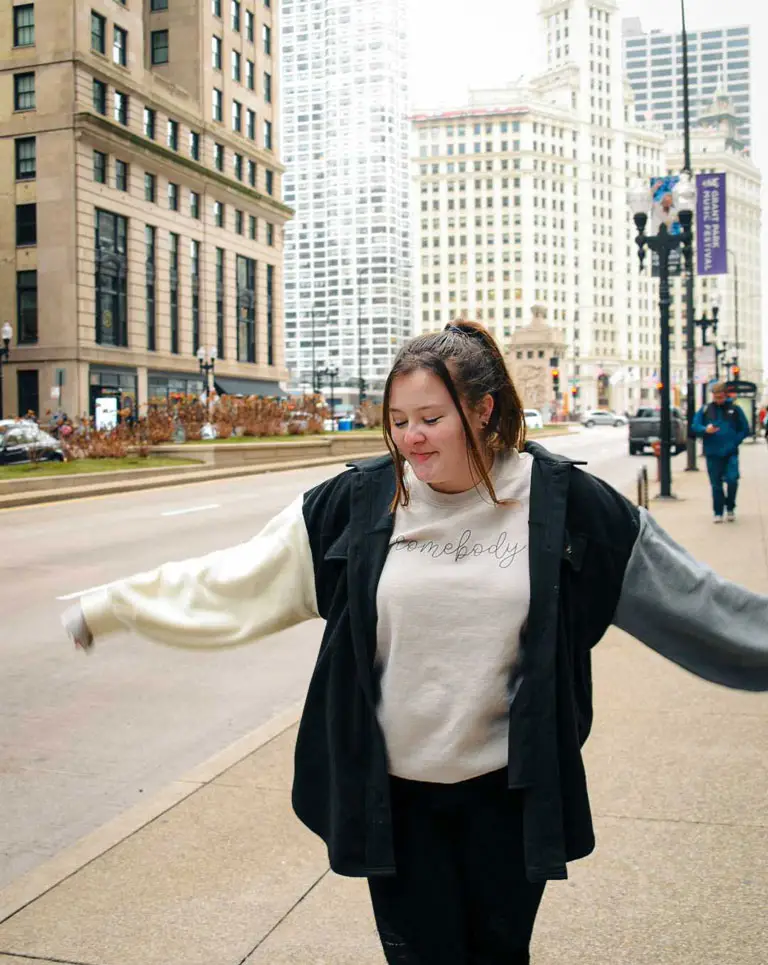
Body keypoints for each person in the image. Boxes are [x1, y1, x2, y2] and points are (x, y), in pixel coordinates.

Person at [62, 322, 768, 965]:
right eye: (398, 422)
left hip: (509, 800)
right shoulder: (355, 505)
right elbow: (231, 581)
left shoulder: (565, 505)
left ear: (483, 410)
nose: (412, 438)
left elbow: (696, 599)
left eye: (431, 418)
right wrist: (115, 605)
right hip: (396, 805)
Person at [692, 381, 750, 523]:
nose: (718, 400)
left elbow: (745, 428)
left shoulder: (735, 410)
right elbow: (695, 425)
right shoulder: (706, 410)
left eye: (721, 397)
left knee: (732, 479)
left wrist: (735, 440)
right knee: (716, 484)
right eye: (716, 397)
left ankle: (730, 507)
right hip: (712, 452)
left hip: (730, 452)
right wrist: (705, 430)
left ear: (725, 395)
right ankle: (718, 511)